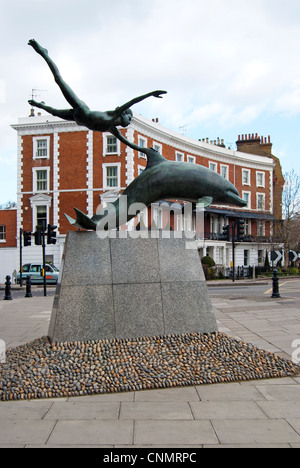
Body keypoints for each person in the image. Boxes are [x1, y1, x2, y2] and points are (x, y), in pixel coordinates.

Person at [28, 39, 166, 131]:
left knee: (53, 112)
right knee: (59, 80)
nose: (129, 121)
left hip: (77, 119)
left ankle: (38, 104)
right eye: (129, 117)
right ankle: (44, 54)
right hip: (80, 108)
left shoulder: (112, 128)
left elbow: (127, 142)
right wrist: (151, 94)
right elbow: (132, 101)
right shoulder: (113, 115)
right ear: (122, 114)